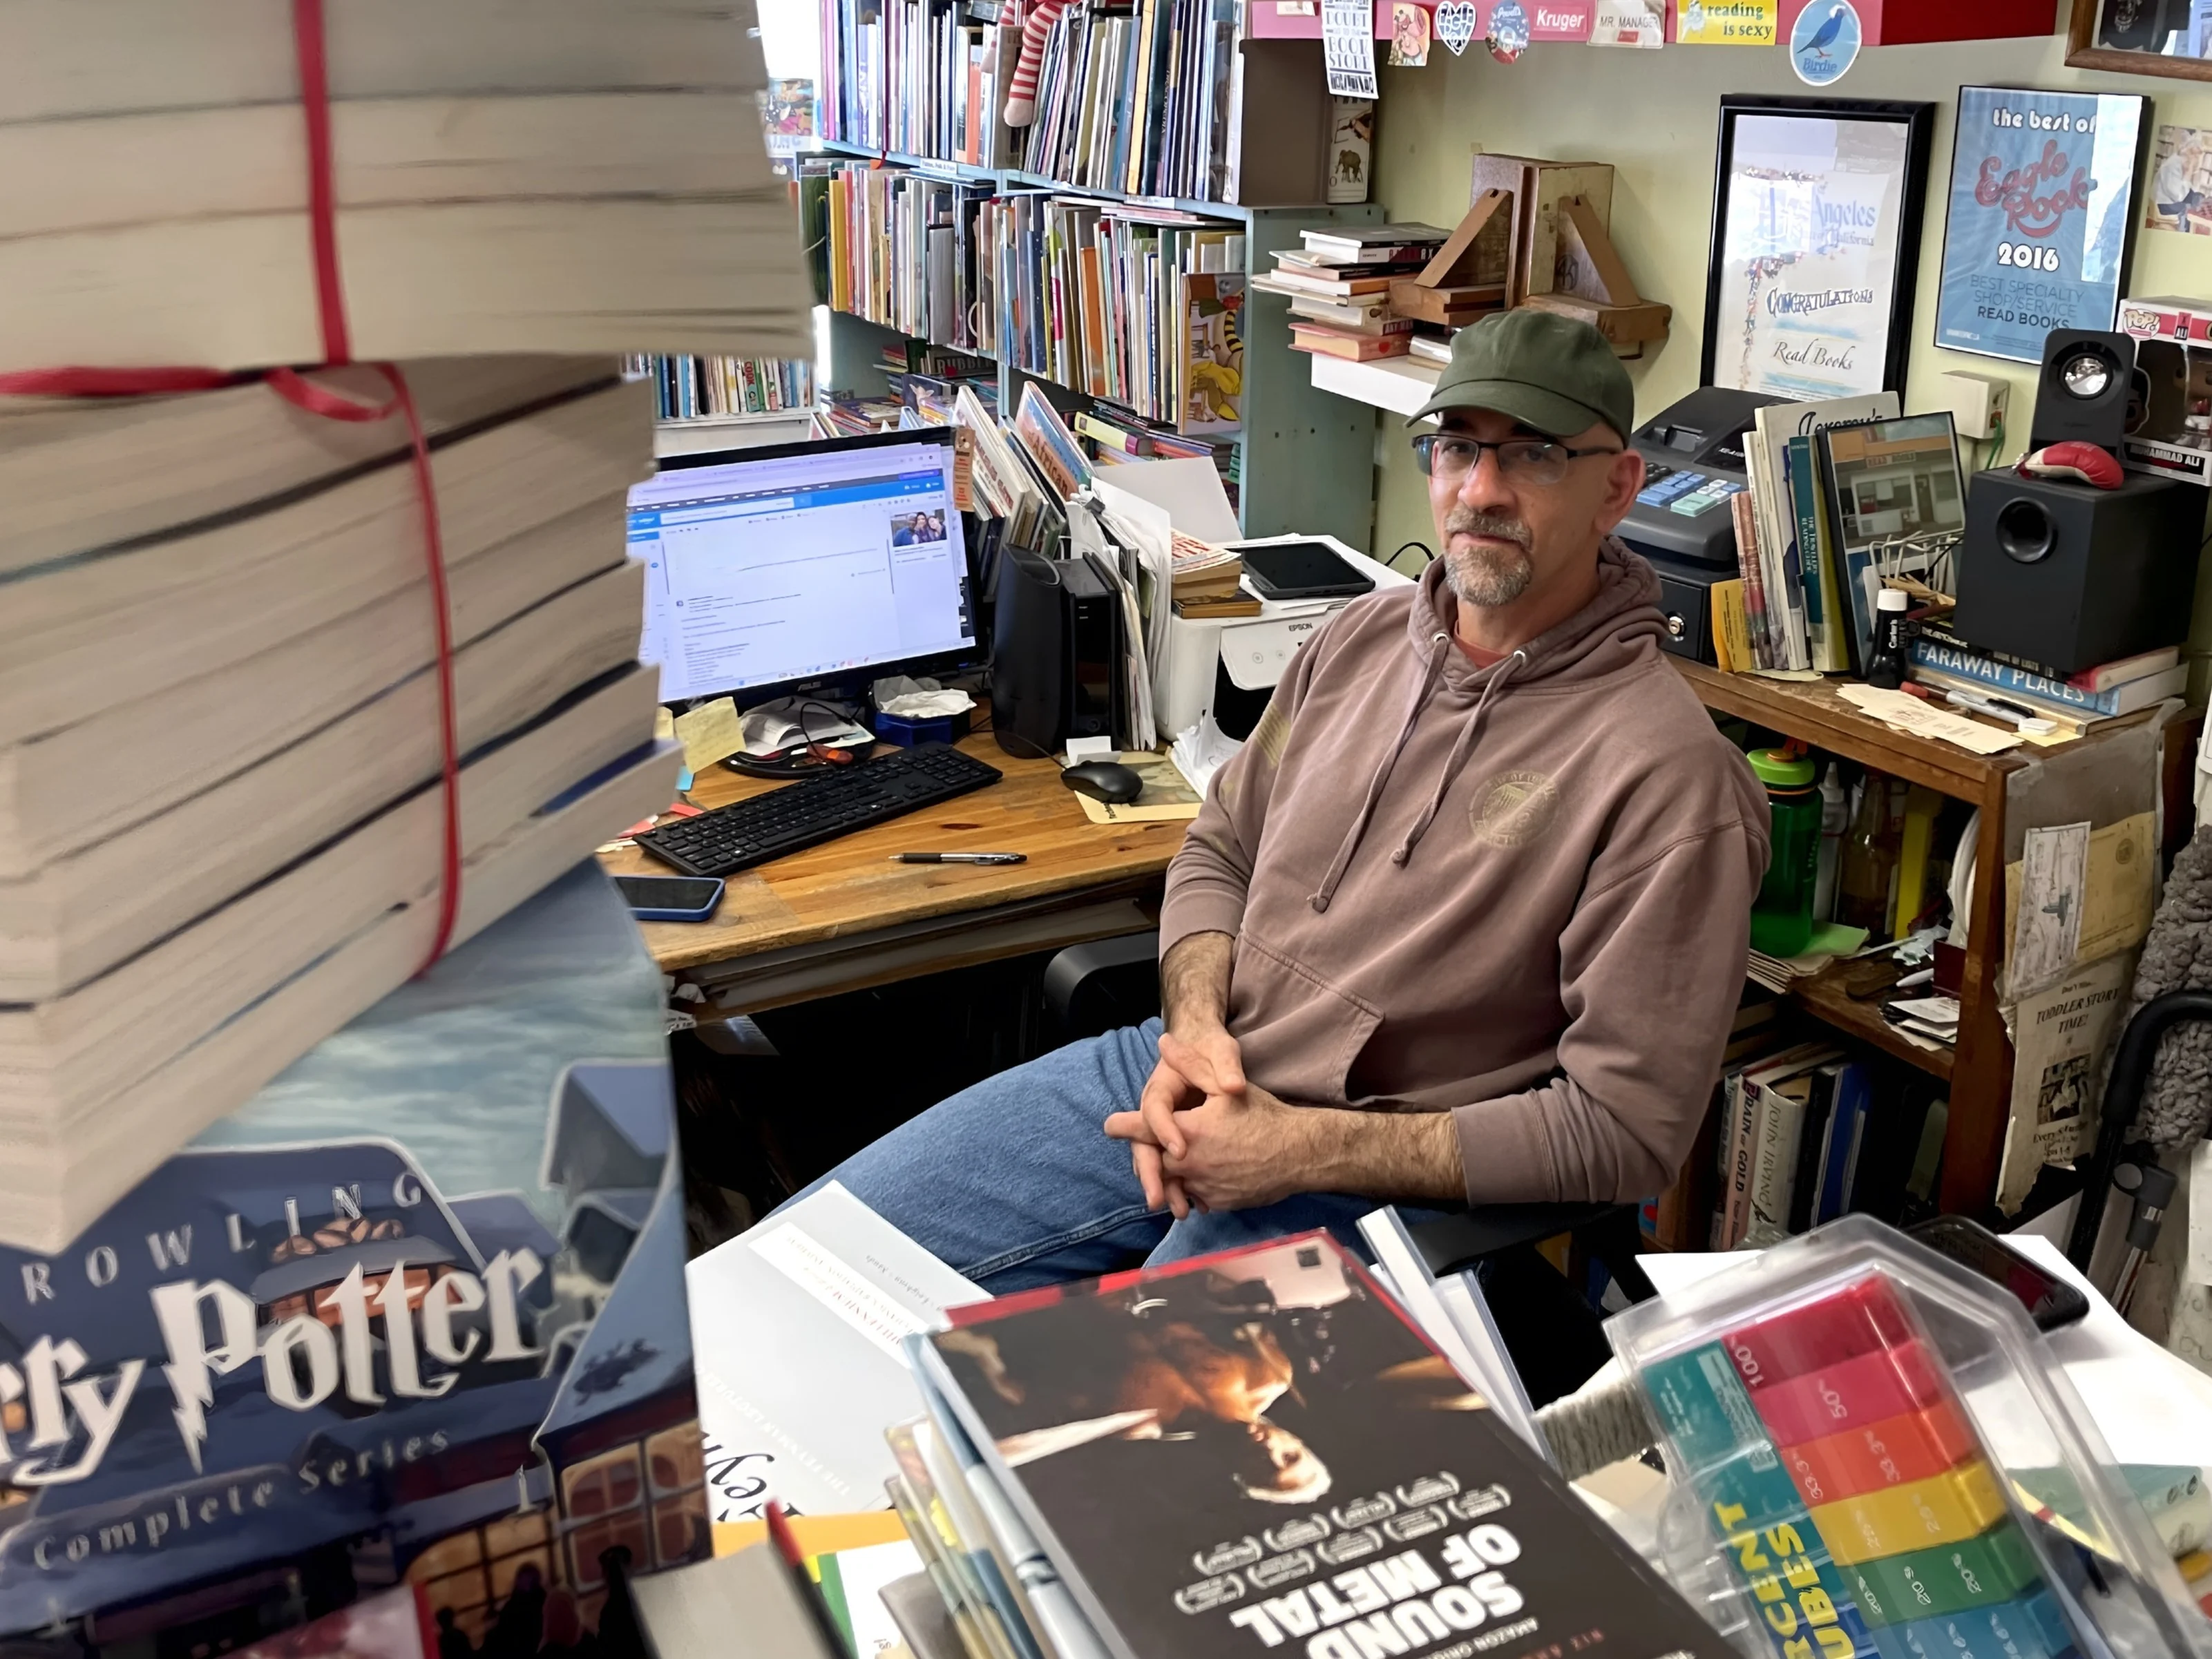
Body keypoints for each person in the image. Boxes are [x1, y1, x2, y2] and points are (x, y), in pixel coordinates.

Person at [809, 310, 1769, 1291]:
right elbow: (1219, 850)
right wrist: (1192, 1023)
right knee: (809, 1267)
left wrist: (1302, 1148)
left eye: (1533, 456)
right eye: (1456, 449)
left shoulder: (1670, 779)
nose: (1480, 491)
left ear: (1618, 485)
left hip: (1375, 1168)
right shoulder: (1357, 638)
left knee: (1065, 1418)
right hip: (1190, 1065)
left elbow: (1622, 1132)